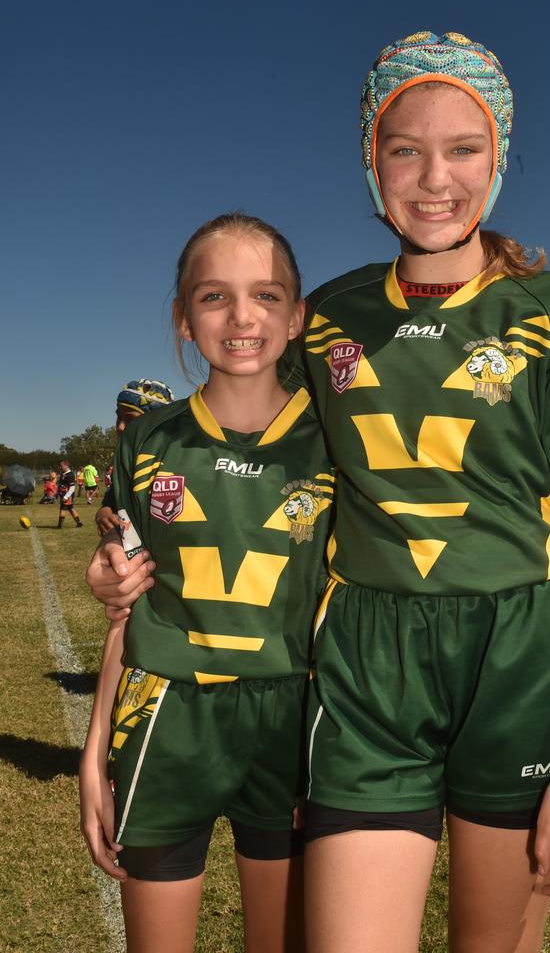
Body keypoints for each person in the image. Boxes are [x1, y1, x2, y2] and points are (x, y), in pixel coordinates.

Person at [86, 32, 550, 952]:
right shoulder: (328, 317)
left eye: (464, 149)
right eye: (404, 149)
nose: (434, 178)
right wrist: (118, 571)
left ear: (500, 157)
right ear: (369, 159)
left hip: (519, 660)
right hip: (365, 668)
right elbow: (239, 447)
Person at [79, 214, 333, 953]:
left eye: (267, 294)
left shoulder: (335, 439)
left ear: (297, 317)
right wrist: (94, 753)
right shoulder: (150, 443)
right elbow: (127, 605)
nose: (243, 316)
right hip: (167, 716)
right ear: (184, 319)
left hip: (293, 716)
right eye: (214, 296)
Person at [95, 380, 176, 536]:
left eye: (131, 420)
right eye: (119, 418)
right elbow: (109, 505)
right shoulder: (125, 464)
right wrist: (103, 515)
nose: (120, 426)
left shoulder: (178, 462)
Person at [57, 459, 83, 528]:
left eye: (61, 465)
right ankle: (79, 522)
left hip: (66, 495)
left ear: (66, 466)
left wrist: (66, 496)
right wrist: (57, 492)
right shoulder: (62, 473)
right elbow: (61, 484)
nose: (60, 467)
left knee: (62, 508)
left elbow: (72, 487)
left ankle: (60, 526)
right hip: (63, 494)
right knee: (71, 508)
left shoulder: (70, 475)